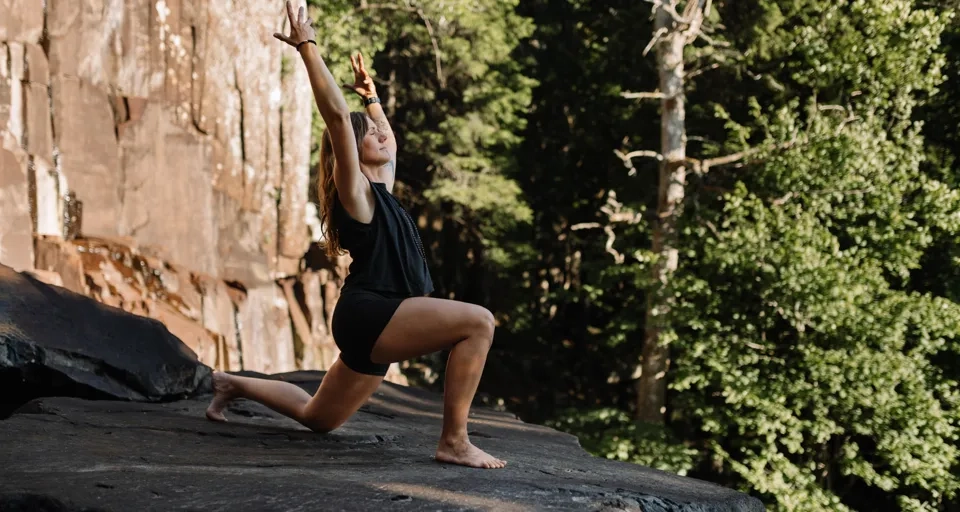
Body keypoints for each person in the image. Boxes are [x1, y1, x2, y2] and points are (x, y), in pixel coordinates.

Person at [204, 1, 505, 470]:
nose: (384, 138)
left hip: (374, 318)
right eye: (374, 137)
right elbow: (339, 121)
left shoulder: (380, 187)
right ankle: (454, 441)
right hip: (375, 313)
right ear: (354, 150)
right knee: (478, 322)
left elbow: (385, 137)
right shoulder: (357, 190)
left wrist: (372, 97)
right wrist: (308, 48)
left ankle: (231, 383)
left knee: (318, 416)